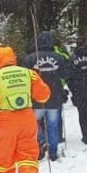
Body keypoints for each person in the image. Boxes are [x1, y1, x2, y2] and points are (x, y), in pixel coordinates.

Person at [22, 31, 69, 161]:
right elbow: (66, 75)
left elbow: (25, 78)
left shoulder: (30, 58)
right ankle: (53, 152)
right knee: (53, 125)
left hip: (36, 98)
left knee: (34, 123)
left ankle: (41, 142)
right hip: (55, 97)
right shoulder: (60, 58)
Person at [67, 40, 87, 148]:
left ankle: (85, 136)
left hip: (79, 90)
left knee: (82, 114)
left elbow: (69, 77)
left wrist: (73, 91)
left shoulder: (72, 59)